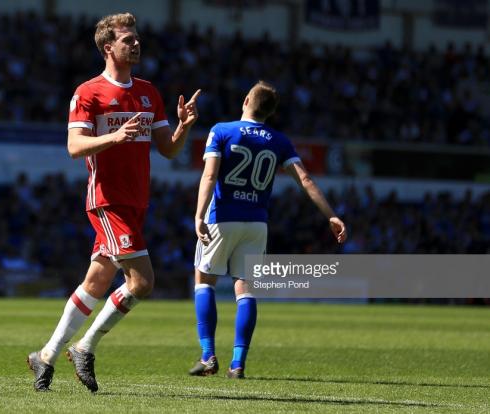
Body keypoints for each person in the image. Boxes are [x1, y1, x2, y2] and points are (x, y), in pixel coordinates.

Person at [27, 12, 201, 392]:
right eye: (127, 40)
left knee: (98, 279)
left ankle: (45, 356)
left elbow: (169, 150)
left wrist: (184, 127)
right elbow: (74, 147)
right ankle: (85, 347)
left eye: (137, 38)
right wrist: (115, 137)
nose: (136, 44)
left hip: (137, 201)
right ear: (108, 47)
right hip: (107, 200)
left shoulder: (149, 92)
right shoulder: (88, 93)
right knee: (142, 282)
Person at [189, 81, 346, 379]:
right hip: (257, 224)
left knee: (204, 280)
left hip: (222, 217)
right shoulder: (279, 140)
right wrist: (331, 215)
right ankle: (238, 363)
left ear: (246, 99)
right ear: (270, 112)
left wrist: (198, 215)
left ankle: (208, 356)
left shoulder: (222, 130)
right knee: (245, 290)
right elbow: (306, 180)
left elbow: (210, 175)